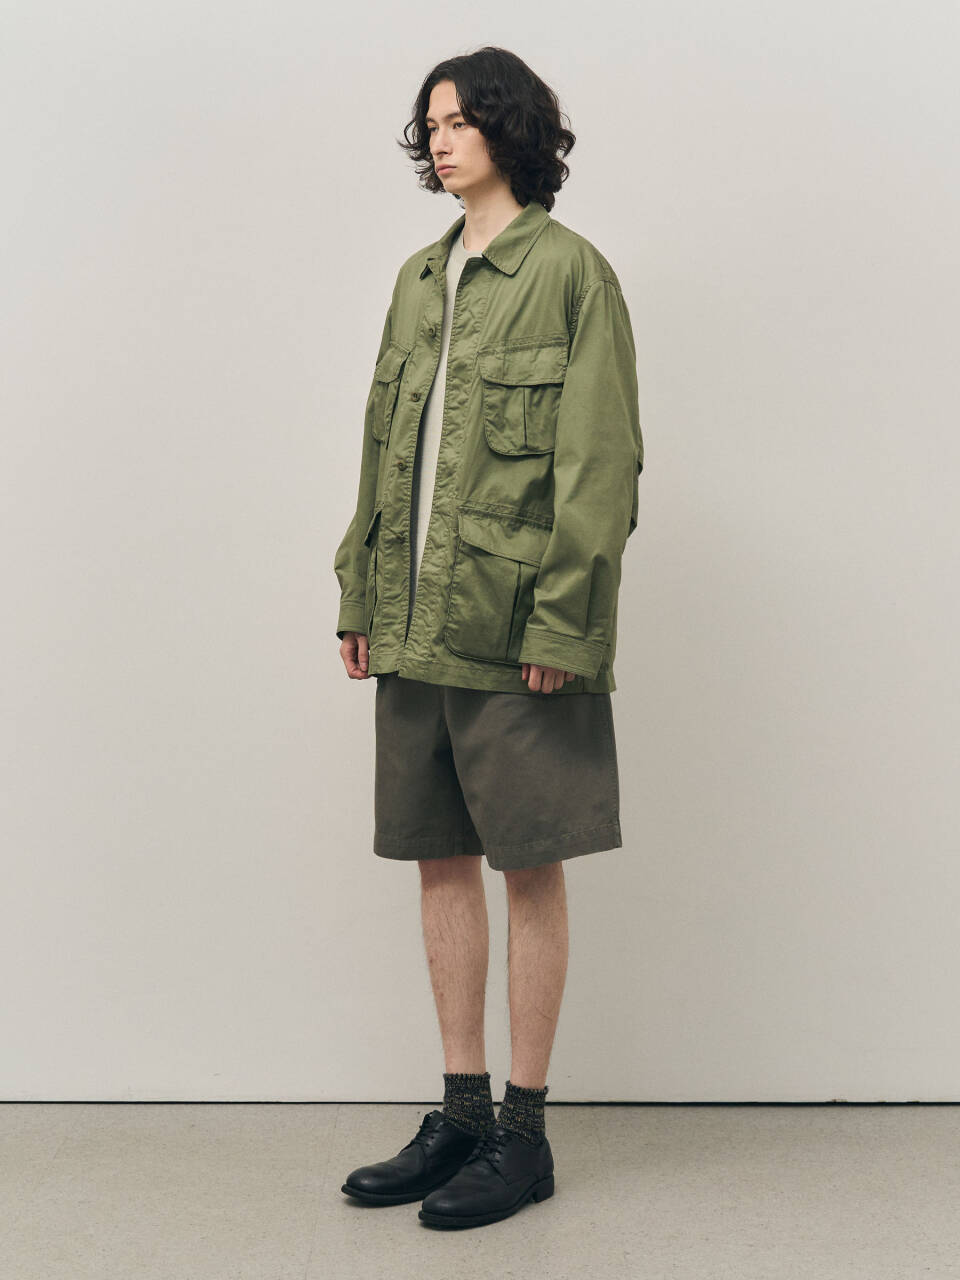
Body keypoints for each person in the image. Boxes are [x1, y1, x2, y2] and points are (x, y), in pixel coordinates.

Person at [334, 46, 644, 1230]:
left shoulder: (571, 274)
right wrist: (361, 591)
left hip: (517, 629)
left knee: (528, 863)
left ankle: (525, 1130)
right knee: (437, 855)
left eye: (462, 119)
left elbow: (601, 463)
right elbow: (381, 447)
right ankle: (461, 1112)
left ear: (512, 130)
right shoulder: (420, 278)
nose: (443, 138)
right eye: (432, 124)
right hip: (413, 619)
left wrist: (566, 617)